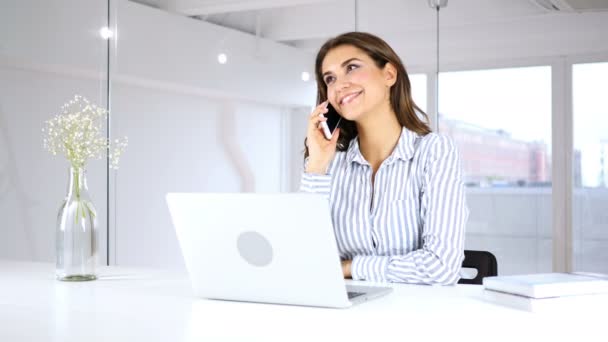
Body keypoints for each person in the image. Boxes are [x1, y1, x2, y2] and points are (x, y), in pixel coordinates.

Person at [300, 32, 468, 285]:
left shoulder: (434, 151)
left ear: (389, 74)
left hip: (417, 313)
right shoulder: (329, 163)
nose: (339, 85)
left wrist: (350, 267)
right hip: (344, 310)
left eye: (352, 68)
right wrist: (316, 165)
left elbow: (441, 267)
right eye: (330, 79)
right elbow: (305, 258)